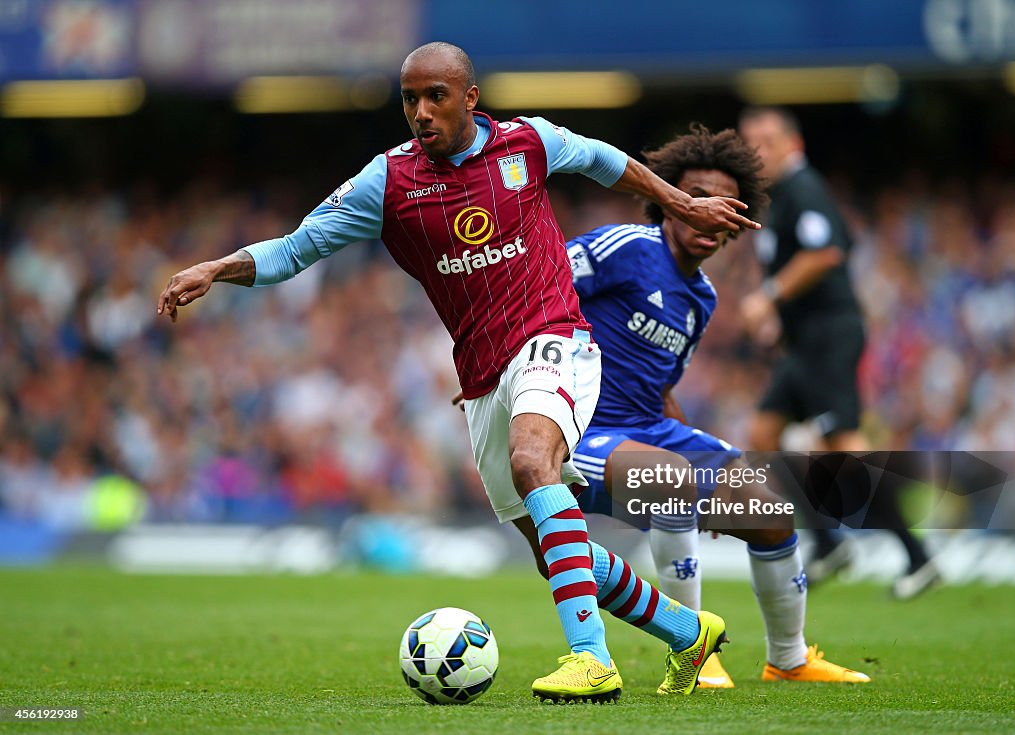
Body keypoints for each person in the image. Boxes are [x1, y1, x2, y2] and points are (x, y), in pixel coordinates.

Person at [156, 42, 759, 703]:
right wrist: (216, 267)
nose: (420, 112)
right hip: (481, 377)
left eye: (435, 96)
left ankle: (591, 658)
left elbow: (604, 160)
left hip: (557, 339)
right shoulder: (386, 182)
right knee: (549, 546)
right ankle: (687, 630)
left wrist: (684, 204)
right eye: (409, 99)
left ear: (469, 97)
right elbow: (296, 249)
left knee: (536, 464)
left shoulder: (528, 142)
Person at [457, 125, 869, 691]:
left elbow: (659, 384)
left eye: (723, 203)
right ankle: (695, 651)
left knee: (770, 509)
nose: (708, 212)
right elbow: (540, 287)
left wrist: (706, 464)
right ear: (667, 202)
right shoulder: (627, 248)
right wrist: (495, 353)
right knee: (669, 482)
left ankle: (789, 660)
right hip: (578, 430)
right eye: (695, 198)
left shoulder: (702, 299)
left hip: (645, 425)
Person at [737, 107, 938, 599]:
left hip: (829, 337)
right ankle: (827, 541)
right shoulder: (782, 197)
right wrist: (779, 320)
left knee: (843, 450)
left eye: (766, 139)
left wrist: (769, 297)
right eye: (749, 141)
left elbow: (825, 252)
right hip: (804, 342)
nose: (756, 149)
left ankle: (918, 556)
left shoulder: (804, 189)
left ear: (793, 144)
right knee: (762, 436)